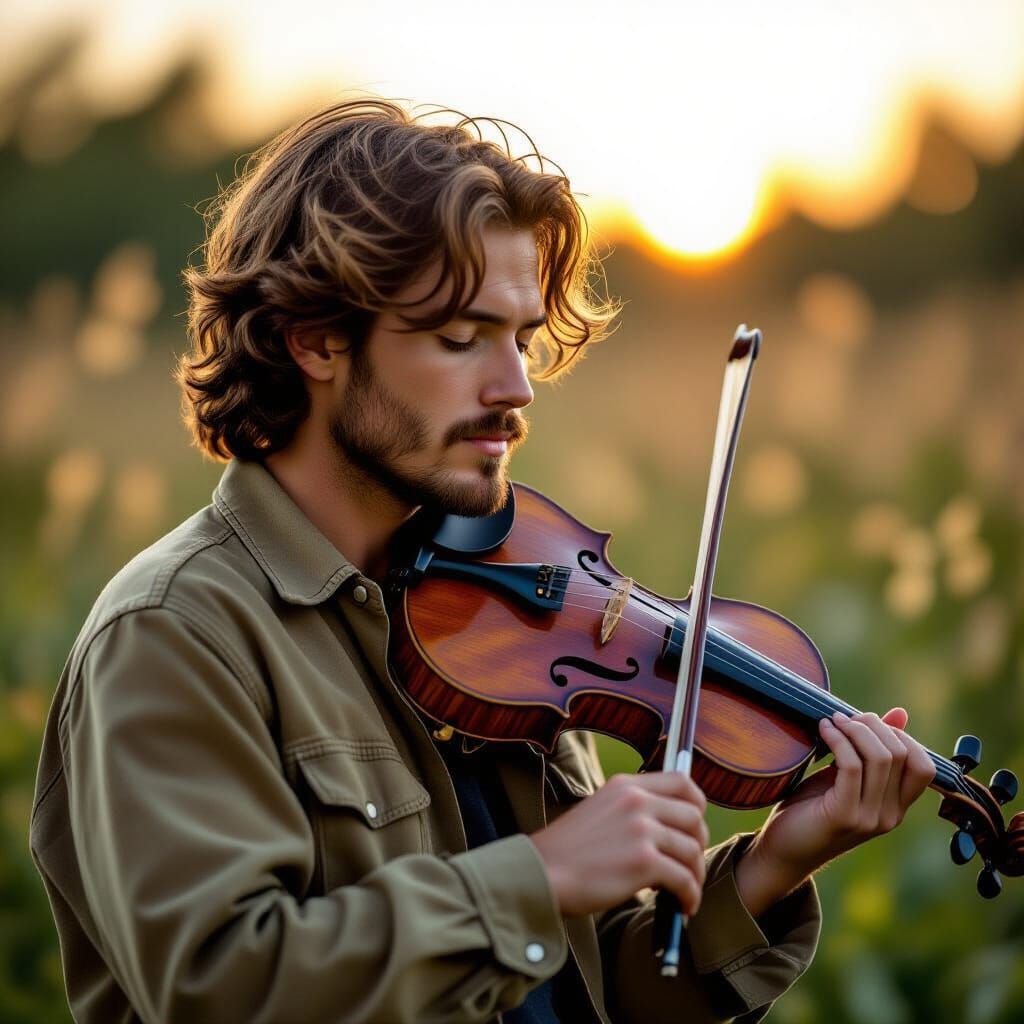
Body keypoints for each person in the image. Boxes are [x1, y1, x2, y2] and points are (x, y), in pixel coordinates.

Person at [30, 98, 937, 1024]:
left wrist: (779, 859)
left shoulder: (509, 621)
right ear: (314, 339)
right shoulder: (176, 634)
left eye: (523, 340)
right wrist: (539, 875)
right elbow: (220, 990)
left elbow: (577, 992)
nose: (514, 390)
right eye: (461, 340)